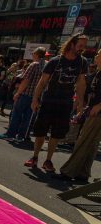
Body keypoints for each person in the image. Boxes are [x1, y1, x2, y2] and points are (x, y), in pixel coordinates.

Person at [25, 33, 88, 172]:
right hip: (48, 101)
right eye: (81, 45)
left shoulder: (82, 62)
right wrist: (35, 99)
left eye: (84, 46)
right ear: (72, 44)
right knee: (41, 131)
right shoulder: (55, 61)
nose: (83, 48)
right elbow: (42, 82)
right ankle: (35, 157)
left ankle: (48, 160)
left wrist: (80, 104)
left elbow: (81, 84)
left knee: (57, 134)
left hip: (65, 104)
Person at [59, 49, 101, 183]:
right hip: (93, 109)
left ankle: (68, 171)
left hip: (98, 112)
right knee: (91, 143)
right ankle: (83, 173)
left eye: (98, 55)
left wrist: (99, 106)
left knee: (83, 140)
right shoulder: (98, 72)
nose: (96, 56)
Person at [0, 48, 46, 142]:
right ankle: (21, 136)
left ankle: (10, 134)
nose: (32, 54)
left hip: (26, 94)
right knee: (27, 118)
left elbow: (26, 80)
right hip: (36, 96)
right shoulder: (46, 65)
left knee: (16, 114)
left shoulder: (34, 65)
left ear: (37, 54)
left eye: (33, 53)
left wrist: (18, 93)